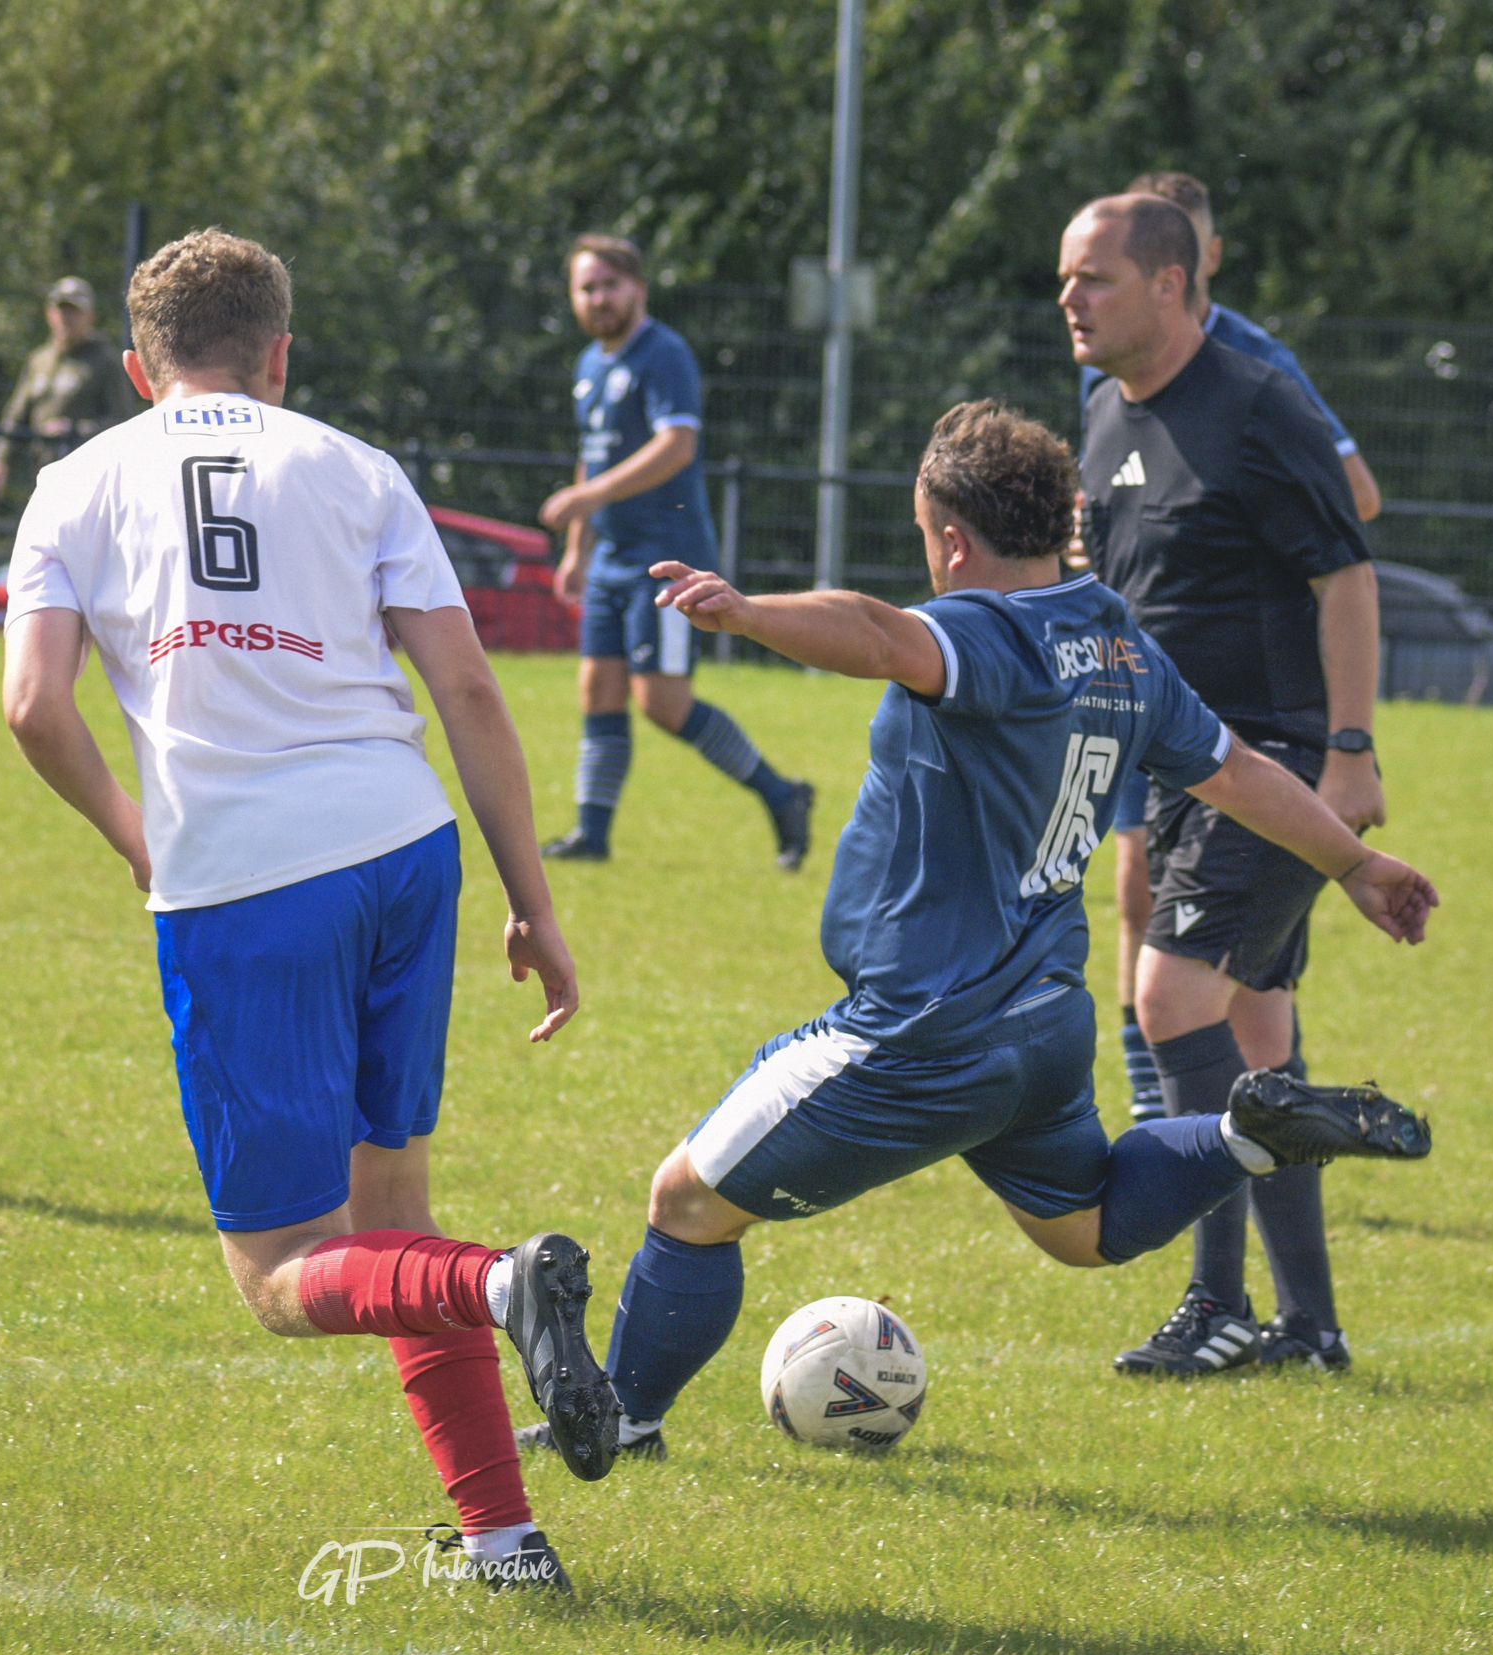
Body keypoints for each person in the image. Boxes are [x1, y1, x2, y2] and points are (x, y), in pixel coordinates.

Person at [516, 399, 1433, 1463]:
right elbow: (1235, 772)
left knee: (685, 1200)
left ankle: (623, 1420)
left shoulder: (991, 631)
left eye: (924, 536)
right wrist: (1354, 862)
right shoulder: (1120, 646)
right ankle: (1247, 1135)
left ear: (951, 540)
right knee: (1086, 1229)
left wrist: (747, 612)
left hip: (918, 1033)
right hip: (1039, 1027)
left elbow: (876, 631)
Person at [2, 228, 621, 1591]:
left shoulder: (74, 482)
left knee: (282, 1276)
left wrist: (136, 836)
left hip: (242, 878)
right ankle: (503, 1539)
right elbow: (468, 688)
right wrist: (532, 902)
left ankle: (501, 1285)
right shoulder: (358, 467)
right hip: (403, 847)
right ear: (280, 356)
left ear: (135, 369)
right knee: (392, 1212)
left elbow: (33, 705)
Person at [1063, 192, 1389, 1376]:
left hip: (1271, 763)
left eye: (1094, 278)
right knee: (1254, 1034)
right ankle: (1308, 1326)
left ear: (1170, 281)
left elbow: (1345, 577)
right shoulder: (1104, 412)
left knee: (1169, 1001)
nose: (1069, 300)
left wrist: (1347, 749)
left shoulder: (1257, 404)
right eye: (1064, 279)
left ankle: (1217, 1304)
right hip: (1178, 769)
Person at [536, 233, 813, 868]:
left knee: (662, 703)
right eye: (586, 288)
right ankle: (592, 835)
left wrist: (586, 497)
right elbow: (591, 459)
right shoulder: (588, 365)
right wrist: (579, 548)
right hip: (611, 559)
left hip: (667, 559)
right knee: (597, 689)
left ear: (638, 288)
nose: (598, 298)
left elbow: (677, 447)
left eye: (610, 284)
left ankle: (782, 795)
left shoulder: (664, 354)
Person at [0, 276, 140, 500]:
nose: (66, 318)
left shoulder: (105, 362)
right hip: (37, 473)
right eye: (61, 310)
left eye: (75, 311)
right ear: (49, 314)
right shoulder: (39, 360)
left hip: (86, 478)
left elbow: (123, 422)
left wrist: (73, 430)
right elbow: (15, 416)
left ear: (91, 317)